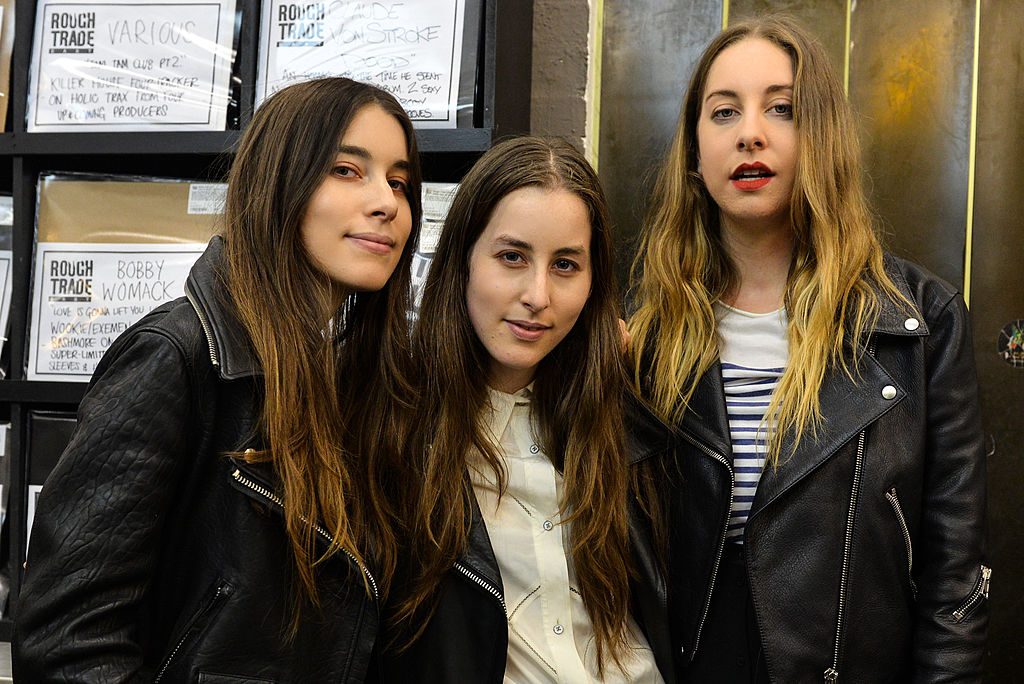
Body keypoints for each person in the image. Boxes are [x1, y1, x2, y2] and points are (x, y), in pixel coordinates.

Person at [13, 76, 422, 682]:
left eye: (399, 182)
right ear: (277, 183)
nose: (386, 202)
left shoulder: (351, 383)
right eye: (346, 170)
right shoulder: (177, 356)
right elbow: (65, 641)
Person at [628, 15, 989, 683]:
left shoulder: (918, 323)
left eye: (782, 109)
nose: (750, 133)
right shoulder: (645, 331)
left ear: (822, 137)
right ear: (693, 153)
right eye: (724, 112)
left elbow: (954, 578)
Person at [382, 137, 675, 683]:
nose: (538, 295)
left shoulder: (626, 414)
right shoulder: (395, 424)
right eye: (512, 257)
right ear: (463, 259)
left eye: (565, 265)